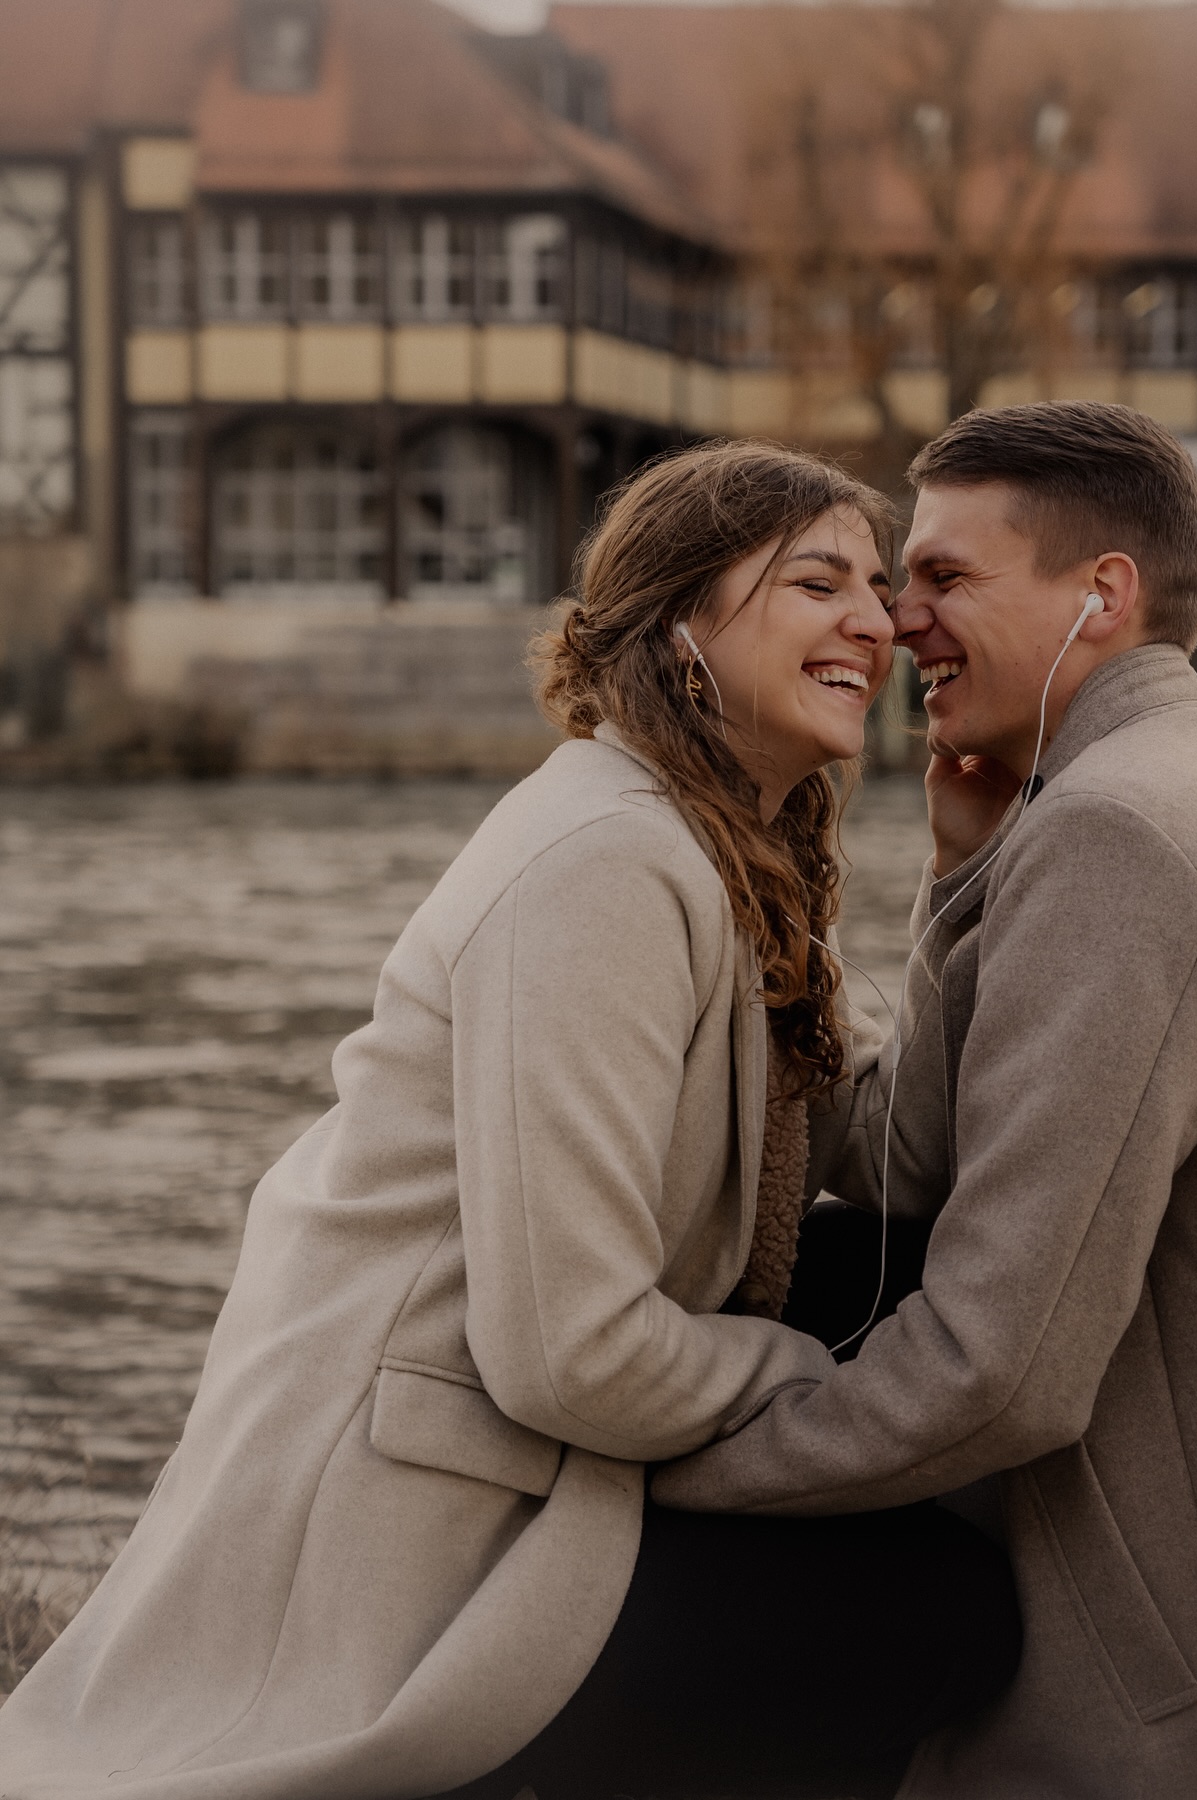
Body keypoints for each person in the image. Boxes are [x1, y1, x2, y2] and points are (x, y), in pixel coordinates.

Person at [0, 442, 1020, 1800]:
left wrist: (967, 877)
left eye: (878, 586)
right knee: (936, 1616)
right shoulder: (607, 865)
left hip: (526, 1443)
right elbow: (567, 1356)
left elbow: (902, 1157)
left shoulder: (726, 851)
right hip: (426, 1515)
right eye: (818, 583)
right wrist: (818, 1393)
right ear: (681, 628)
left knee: (889, 1292)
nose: (876, 621)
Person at [654, 403, 1197, 1798]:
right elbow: (915, 1166)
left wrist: (656, 1465)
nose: (897, 624)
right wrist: (962, 882)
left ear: (1104, 595)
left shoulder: (1121, 838)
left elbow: (994, 1376)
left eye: (945, 578)